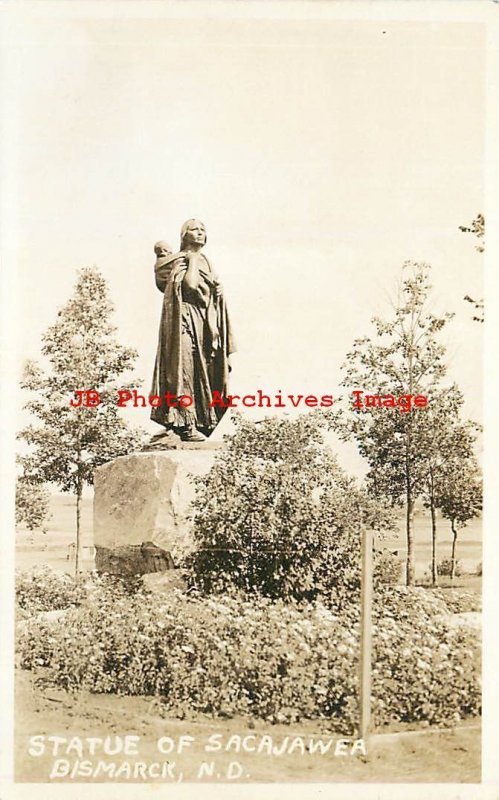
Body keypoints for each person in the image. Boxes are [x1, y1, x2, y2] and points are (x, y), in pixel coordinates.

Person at [150, 219, 235, 442]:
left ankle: (196, 420)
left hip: (204, 324)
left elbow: (208, 294)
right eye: (195, 229)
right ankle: (182, 422)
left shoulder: (205, 261)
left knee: (201, 370)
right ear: (184, 235)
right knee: (182, 368)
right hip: (183, 321)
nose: (200, 233)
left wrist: (217, 291)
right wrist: (192, 260)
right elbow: (188, 285)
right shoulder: (182, 260)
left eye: (203, 229)